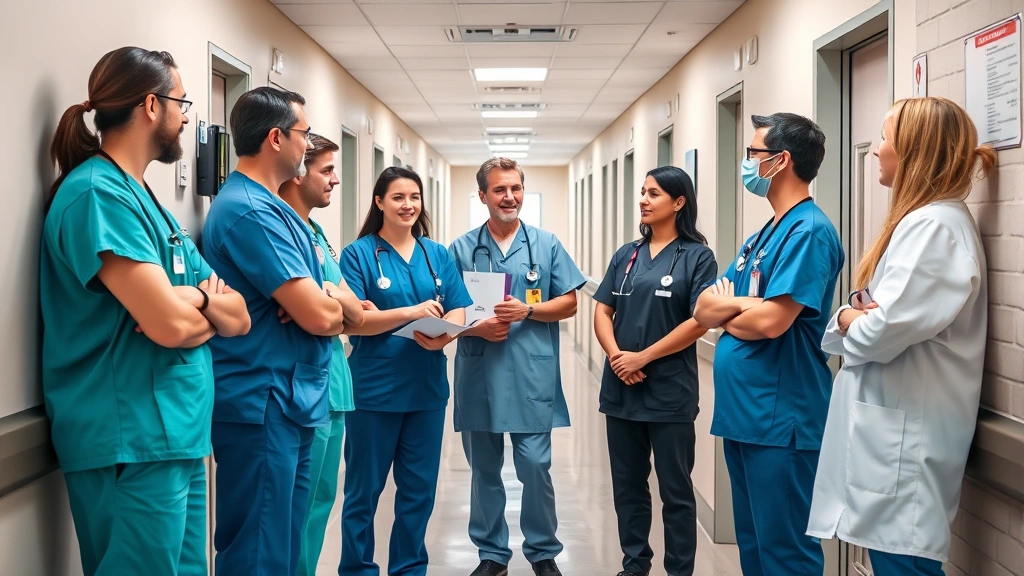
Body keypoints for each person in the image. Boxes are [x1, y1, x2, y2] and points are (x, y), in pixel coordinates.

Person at [40, 46, 250, 576]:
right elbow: (168, 323)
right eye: (182, 102)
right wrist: (200, 305)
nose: (186, 117)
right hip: (129, 438)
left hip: (175, 435)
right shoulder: (96, 195)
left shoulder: (146, 199)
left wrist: (195, 298)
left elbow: (240, 314)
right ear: (151, 105)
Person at [807, 97, 995, 576]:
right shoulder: (925, 223)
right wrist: (853, 316)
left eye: (886, 138)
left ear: (915, 150)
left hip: (905, 452)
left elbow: (873, 331)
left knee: (903, 563)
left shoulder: (935, 227)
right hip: (890, 440)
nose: (876, 150)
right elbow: (861, 318)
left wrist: (852, 317)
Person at [201, 87, 363, 576]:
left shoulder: (278, 211)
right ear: (276, 138)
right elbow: (321, 316)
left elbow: (341, 310)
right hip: (262, 401)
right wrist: (328, 305)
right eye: (303, 134)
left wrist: (328, 304)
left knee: (285, 550)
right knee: (259, 553)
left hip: (290, 401)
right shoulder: (249, 211)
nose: (306, 144)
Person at [693, 113, 844, 576]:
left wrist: (736, 310)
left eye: (752, 154)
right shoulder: (764, 233)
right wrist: (746, 306)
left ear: (780, 161)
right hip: (746, 418)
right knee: (755, 548)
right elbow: (702, 308)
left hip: (782, 421)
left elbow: (773, 322)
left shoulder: (809, 231)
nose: (747, 163)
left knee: (786, 553)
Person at [448, 157, 586, 576]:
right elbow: (449, 314)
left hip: (531, 372)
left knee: (534, 466)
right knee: (484, 470)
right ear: (483, 196)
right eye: (499, 190)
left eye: (515, 188)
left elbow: (570, 302)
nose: (509, 197)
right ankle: (492, 555)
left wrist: (529, 311)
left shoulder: (546, 244)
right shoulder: (461, 248)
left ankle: (543, 552)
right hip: (480, 372)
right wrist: (477, 329)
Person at [339, 166, 472, 576]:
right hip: (374, 392)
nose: (408, 205)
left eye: (414, 197)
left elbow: (459, 307)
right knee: (364, 493)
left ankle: (409, 569)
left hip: (426, 390)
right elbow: (356, 321)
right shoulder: (359, 254)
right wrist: (411, 313)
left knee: (418, 493)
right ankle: (358, 569)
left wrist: (447, 334)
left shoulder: (436, 253)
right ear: (379, 202)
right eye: (398, 197)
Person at [593, 166, 717, 576]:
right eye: (643, 192)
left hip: (669, 393)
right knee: (628, 487)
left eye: (654, 194)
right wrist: (617, 357)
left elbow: (699, 319)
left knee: (676, 491)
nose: (644, 200)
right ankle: (635, 565)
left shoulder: (697, 257)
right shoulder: (626, 255)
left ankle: (679, 570)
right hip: (621, 389)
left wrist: (641, 358)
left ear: (679, 202)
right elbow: (603, 311)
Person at [278, 135, 364, 576]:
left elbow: (352, 308)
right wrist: (336, 305)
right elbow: (325, 312)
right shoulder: (278, 229)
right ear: (296, 170)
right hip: (303, 391)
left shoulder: (316, 232)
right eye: (326, 170)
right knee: (295, 514)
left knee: (319, 507)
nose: (335, 180)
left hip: (332, 387)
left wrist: (337, 302)